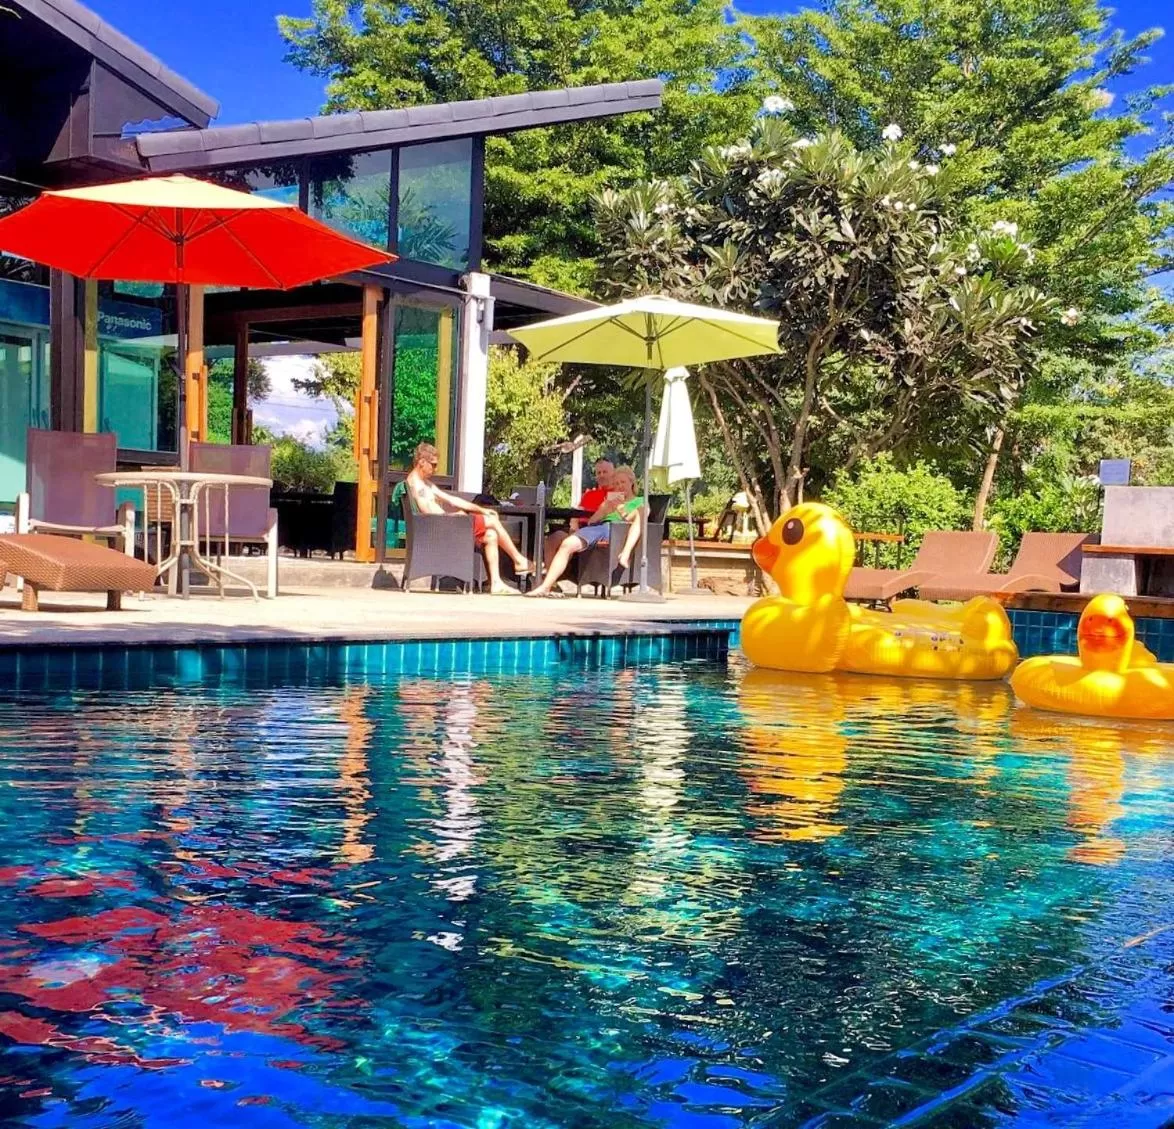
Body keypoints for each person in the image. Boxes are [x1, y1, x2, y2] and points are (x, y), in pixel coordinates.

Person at [405, 442, 533, 594]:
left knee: (491, 535)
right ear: (422, 462)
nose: (435, 469)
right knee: (492, 521)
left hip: (448, 525)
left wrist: (481, 510)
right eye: (433, 465)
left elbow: (452, 500)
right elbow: (428, 515)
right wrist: (454, 516)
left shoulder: (424, 483)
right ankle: (518, 560)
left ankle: (496, 583)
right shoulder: (417, 486)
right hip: (444, 529)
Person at [527, 466, 644, 598]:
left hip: (616, 531)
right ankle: (547, 586)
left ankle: (545, 587)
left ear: (632, 482)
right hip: (599, 528)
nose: (619, 486)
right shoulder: (611, 500)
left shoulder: (640, 501)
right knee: (566, 544)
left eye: (623, 482)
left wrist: (620, 509)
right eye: (616, 483)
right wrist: (604, 509)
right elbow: (592, 521)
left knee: (567, 543)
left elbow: (636, 520)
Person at [543, 458, 614, 568]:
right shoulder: (589, 494)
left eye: (605, 472)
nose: (601, 475)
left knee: (569, 543)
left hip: (597, 532)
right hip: (579, 530)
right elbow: (576, 514)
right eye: (598, 473)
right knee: (552, 540)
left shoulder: (617, 494)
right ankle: (550, 574)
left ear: (613, 473)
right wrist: (573, 529)